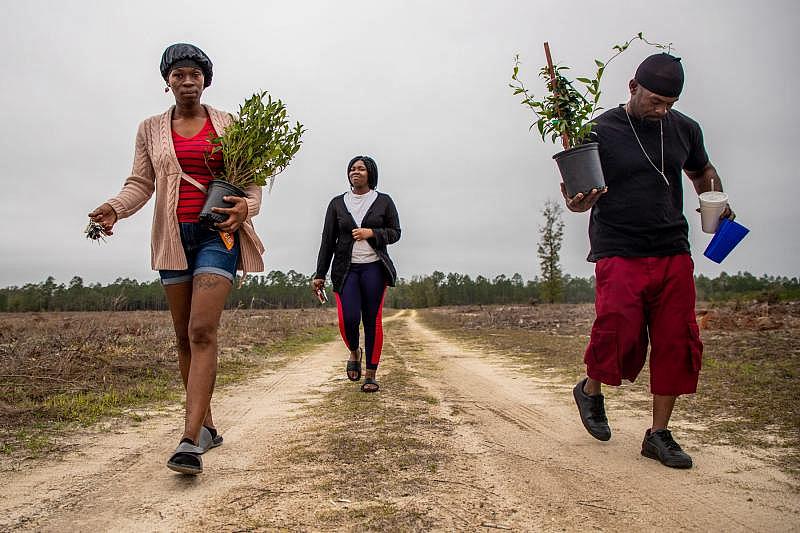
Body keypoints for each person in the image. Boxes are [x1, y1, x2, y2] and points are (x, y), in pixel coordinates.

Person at [88, 43, 265, 475]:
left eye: (195, 74)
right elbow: (140, 182)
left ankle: (189, 441)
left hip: (217, 234)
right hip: (172, 238)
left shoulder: (229, 124)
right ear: (167, 81)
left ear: (206, 79)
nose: (187, 81)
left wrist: (247, 208)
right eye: (178, 75)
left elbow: (252, 178)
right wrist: (115, 208)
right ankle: (205, 425)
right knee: (184, 336)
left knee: (202, 329)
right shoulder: (150, 128)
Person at [563, 53, 734, 469]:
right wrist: (578, 201)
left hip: (673, 246)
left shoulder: (684, 129)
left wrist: (716, 197)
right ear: (632, 87)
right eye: (655, 100)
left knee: (678, 339)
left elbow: (701, 170)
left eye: (669, 103)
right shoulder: (598, 130)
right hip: (619, 246)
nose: (662, 110)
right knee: (618, 331)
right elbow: (574, 198)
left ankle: (658, 435)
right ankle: (590, 389)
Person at [312, 156, 401, 392]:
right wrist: (320, 273)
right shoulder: (337, 204)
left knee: (372, 321)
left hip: (374, 268)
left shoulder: (383, 202)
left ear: (370, 173)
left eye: (361, 168)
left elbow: (395, 232)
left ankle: (370, 375)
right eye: (352, 168)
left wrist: (371, 232)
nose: (355, 172)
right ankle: (354, 351)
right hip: (346, 270)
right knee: (348, 319)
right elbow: (327, 241)